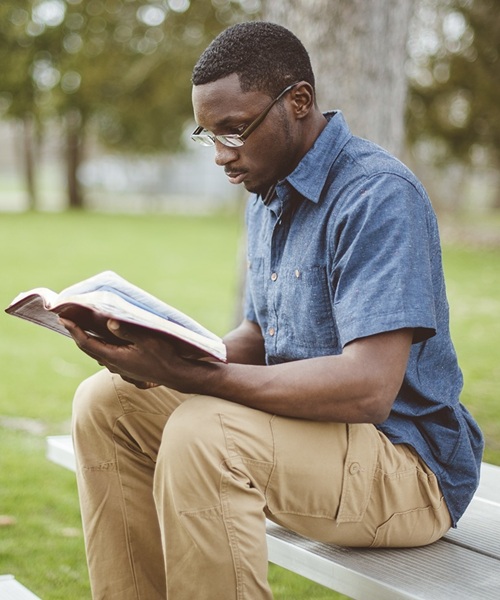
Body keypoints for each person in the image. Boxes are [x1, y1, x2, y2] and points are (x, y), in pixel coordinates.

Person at [61, 21, 484, 600]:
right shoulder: (269, 190)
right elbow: (261, 335)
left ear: (299, 101)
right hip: (314, 443)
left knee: (206, 433)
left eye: (234, 131)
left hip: (406, 470)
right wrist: (158, 353)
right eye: (208, 136)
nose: (220, 156)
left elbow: (368, 389)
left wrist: (202, 377)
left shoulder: (377, 195)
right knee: (105, 404)